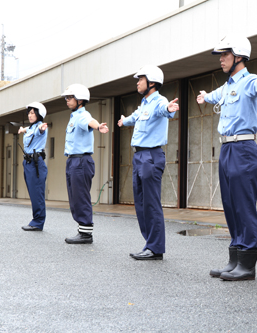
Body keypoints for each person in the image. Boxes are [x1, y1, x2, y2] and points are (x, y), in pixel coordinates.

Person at [197, 35, 257, 281]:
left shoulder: (248, 81)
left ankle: (248, 263)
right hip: (227, 149)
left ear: (238, 56)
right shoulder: (228, 86)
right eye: (220, 55)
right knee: (230, 205)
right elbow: (215, 96)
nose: (221, 59)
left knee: (243, 206)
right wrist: (205, 96)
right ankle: (235, 258)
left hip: (244, 149)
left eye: (225, 54)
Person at [118, 65, 179, 260]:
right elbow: (134, 118)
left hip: (151, 156)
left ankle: (155, 248)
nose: (137, 82)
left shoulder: (159, 101)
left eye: (140, 79)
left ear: (151, 82)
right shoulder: (144, 104)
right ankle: (150, 244)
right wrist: (123, 121)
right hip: (139, 157)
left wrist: (170, 109)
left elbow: (165, 110)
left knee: (151, 203)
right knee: (141, 204)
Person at [61, 84, 109, 244]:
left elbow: (90, 121)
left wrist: (98, 126)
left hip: (81, 161)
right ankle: (82, 230)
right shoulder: (74, 116)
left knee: (81, 196)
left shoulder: (82, 115)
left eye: (70, 97)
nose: (67, 100)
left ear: (80, 100)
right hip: (73, 160)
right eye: (66, 98)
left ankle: (86, 233)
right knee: (75, 197)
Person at [18, 102, 48, 231]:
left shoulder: (39, 127)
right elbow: (28, 130)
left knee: (37, 193)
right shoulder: (30, 128)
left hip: (36, 163)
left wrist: (42, 128)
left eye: (33, 113)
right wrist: (22, 129)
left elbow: (40, 129)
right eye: (29, 113)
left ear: (39, 114)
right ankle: (36, 220)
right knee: (32, 192)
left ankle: (38, 222)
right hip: (28, 162)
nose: (30, 115)